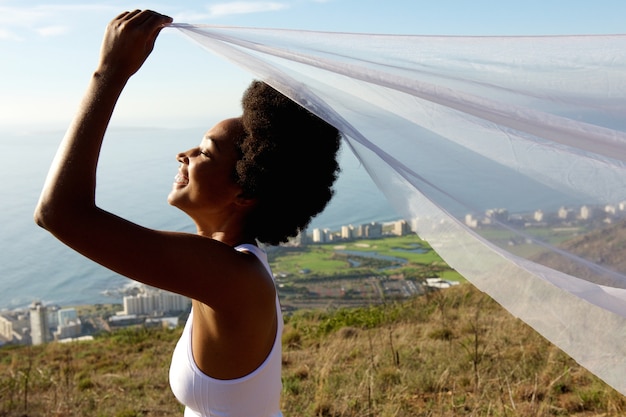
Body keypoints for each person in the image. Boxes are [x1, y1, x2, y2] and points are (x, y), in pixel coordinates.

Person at [34, 9, 341, 417]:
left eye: (206, 151)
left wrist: (109, 72)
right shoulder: (234, 267)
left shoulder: (231, 276)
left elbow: (59, 213)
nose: (185, 154)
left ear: (244, 195)